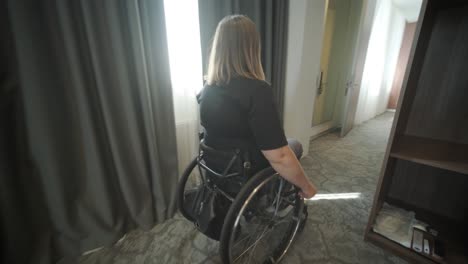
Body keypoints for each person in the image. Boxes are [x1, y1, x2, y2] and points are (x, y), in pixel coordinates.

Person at [198, 15, 317, 199]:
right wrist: (307, 186)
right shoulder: (257, 90)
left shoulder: (208, 89)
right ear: (252, 48)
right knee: (295, 146)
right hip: (245, 168)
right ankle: (280, 193)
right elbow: (280, 157)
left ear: (218, 47)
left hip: (218, 166)